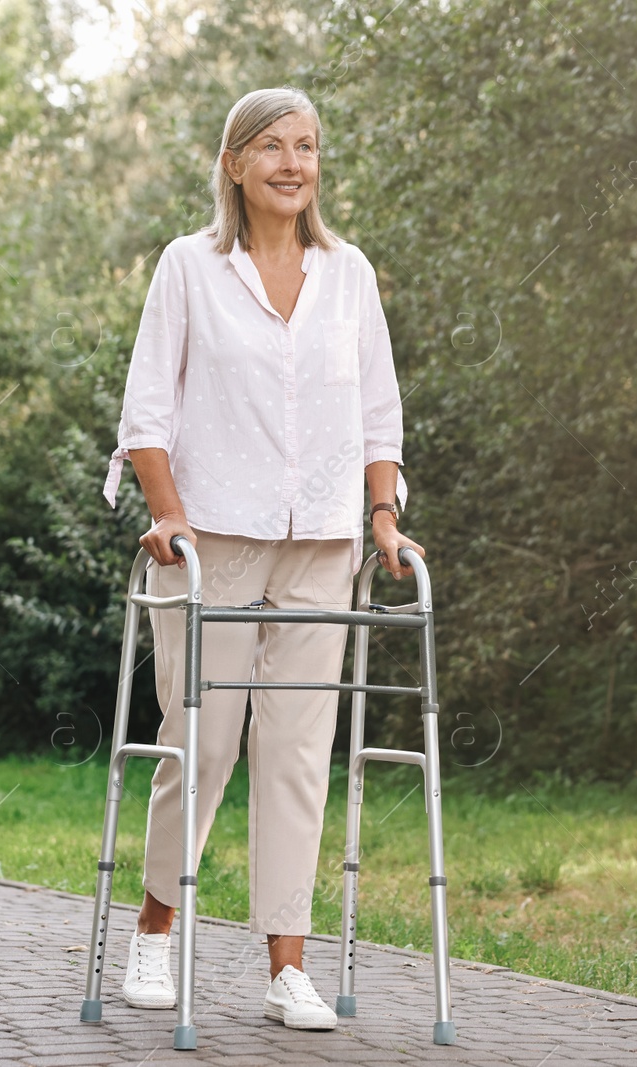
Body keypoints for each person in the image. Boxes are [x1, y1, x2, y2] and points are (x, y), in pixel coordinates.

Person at [101, 85, 425, 1031]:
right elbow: (147, 410)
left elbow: (379, 413)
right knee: (199, 744)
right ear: (235, 162)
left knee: (294, 757)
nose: (294, 164)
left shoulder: (349, 272)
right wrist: (167, 515)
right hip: (213, 543)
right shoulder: (190, 267)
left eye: (309, 147)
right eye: (274, 147)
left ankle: (287, 962)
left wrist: (382, 515)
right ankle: (156, 928)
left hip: (321, 543)